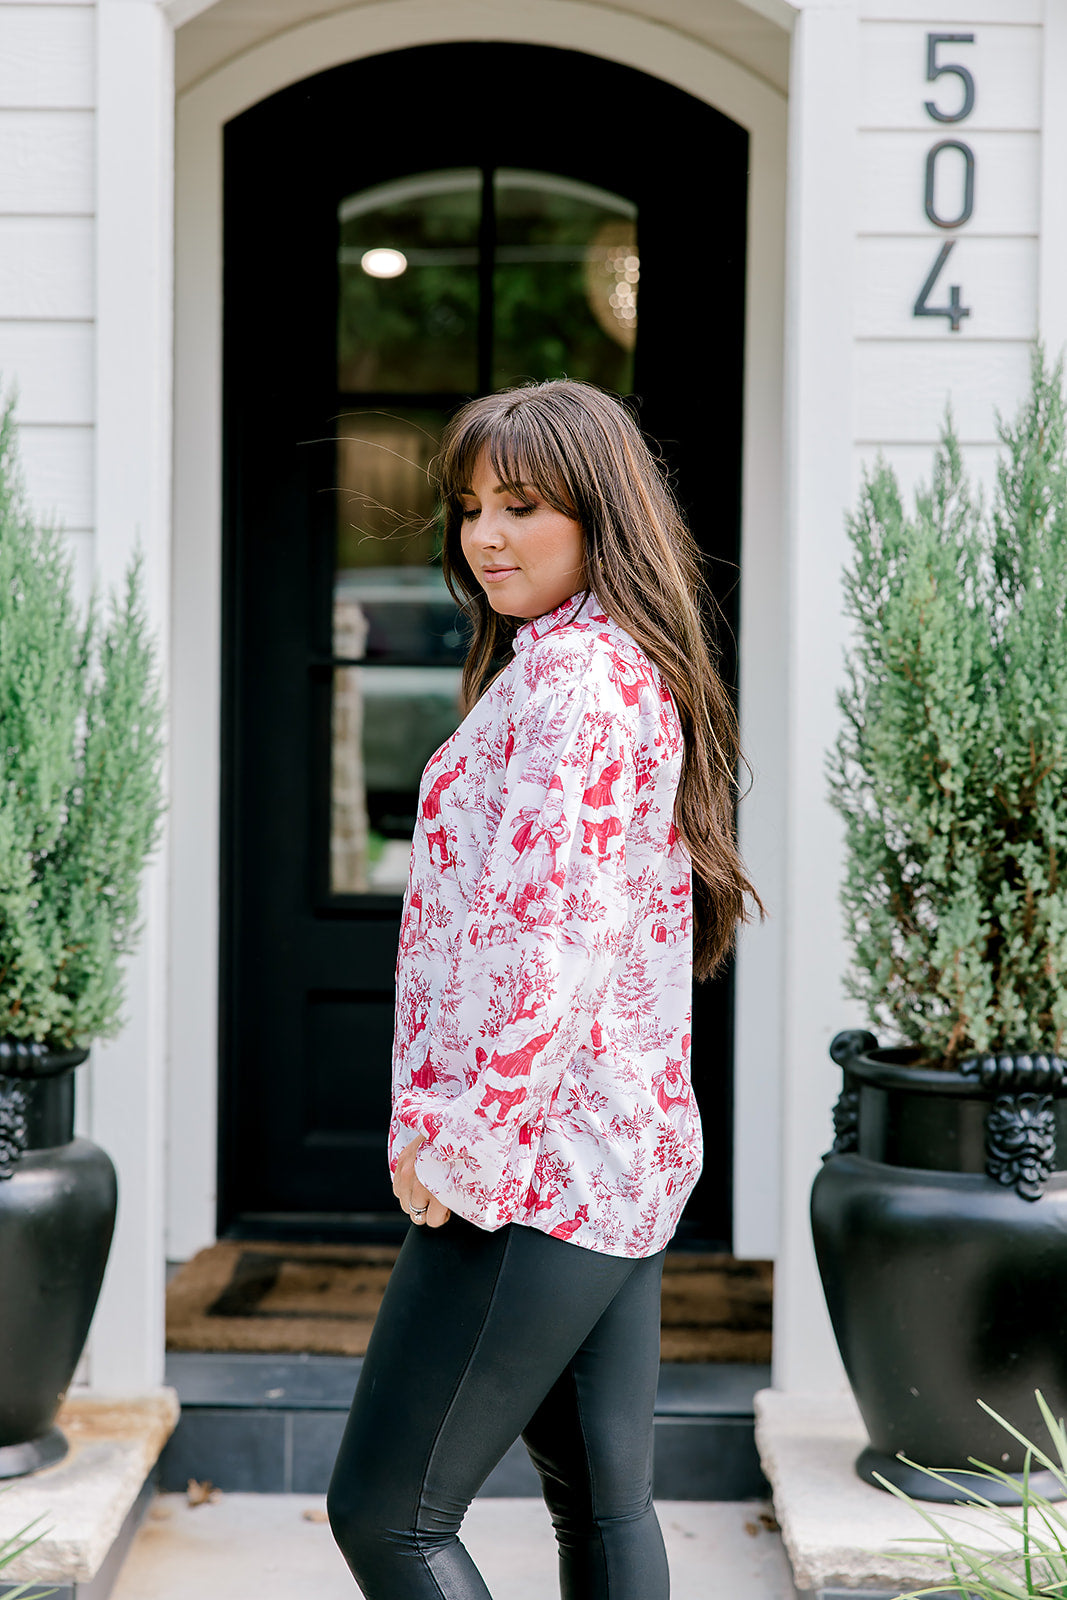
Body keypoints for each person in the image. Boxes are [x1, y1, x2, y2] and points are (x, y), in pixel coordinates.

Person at [327, 379, 762, 1599]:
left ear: (598, 515)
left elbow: (549, 945)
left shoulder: (575, 682)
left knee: (383, 1513)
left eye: (519, 505)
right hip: (612, 1156)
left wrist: (458, 1145)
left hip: (529, 1170)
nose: (483, 536)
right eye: (469, 507)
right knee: (603, 1511)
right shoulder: (605, 667)